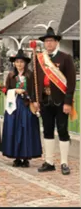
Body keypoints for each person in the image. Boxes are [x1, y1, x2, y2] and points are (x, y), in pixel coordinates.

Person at [32, 25, 76, 175]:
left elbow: (71, 82)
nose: (49, 43)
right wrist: (35, 99)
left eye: (51, 40)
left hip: (61, 101)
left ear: (57, 42)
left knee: (63, 130)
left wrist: (68, 102)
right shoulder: (39, 59)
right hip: (45, 100)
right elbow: (35, 81)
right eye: (46, 41)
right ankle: (49, 161)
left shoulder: (65, 58)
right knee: (47, 130)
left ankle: (64, 162)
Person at [2, 48, 42, 168]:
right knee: (14, 129)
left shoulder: (30, 76)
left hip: (26, 105)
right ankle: (16, 156)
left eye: (21, 62)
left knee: (26, 129)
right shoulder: (11, 75)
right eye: (17, 62)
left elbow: (35, 90)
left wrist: (34, 101)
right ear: (14, 63)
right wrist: (15, 91)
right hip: (14, 106)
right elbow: (6, 90)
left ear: (25, 63)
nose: (19, 64)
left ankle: (26, 157)